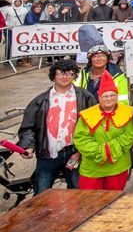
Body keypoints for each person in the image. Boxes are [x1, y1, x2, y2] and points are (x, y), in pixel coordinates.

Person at [18, 59, 97, 194]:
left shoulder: (85, 97)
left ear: (74, 76)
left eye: (69, 74)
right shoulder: (40, 100)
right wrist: (27, 146)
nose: (65, 77)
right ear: (53, 75)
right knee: (41, 194)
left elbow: (95, 124)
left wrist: (85, 150)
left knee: (77, 192)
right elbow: (28, 127)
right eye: (60, 73)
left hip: (75, 153)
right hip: (48, 154)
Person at [72, 71, 133, 190]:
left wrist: (110, 149)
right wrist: (100, 151)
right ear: (99, 97)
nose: (109, 99)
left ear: (117, 96)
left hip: (117, 167)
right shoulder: (87, 115)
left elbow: (129, 135)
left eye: (112, 95)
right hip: (92, 168)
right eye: (105, 96)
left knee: (114, 200)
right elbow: (80, 138)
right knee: (90, 200)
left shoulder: (127, 113)